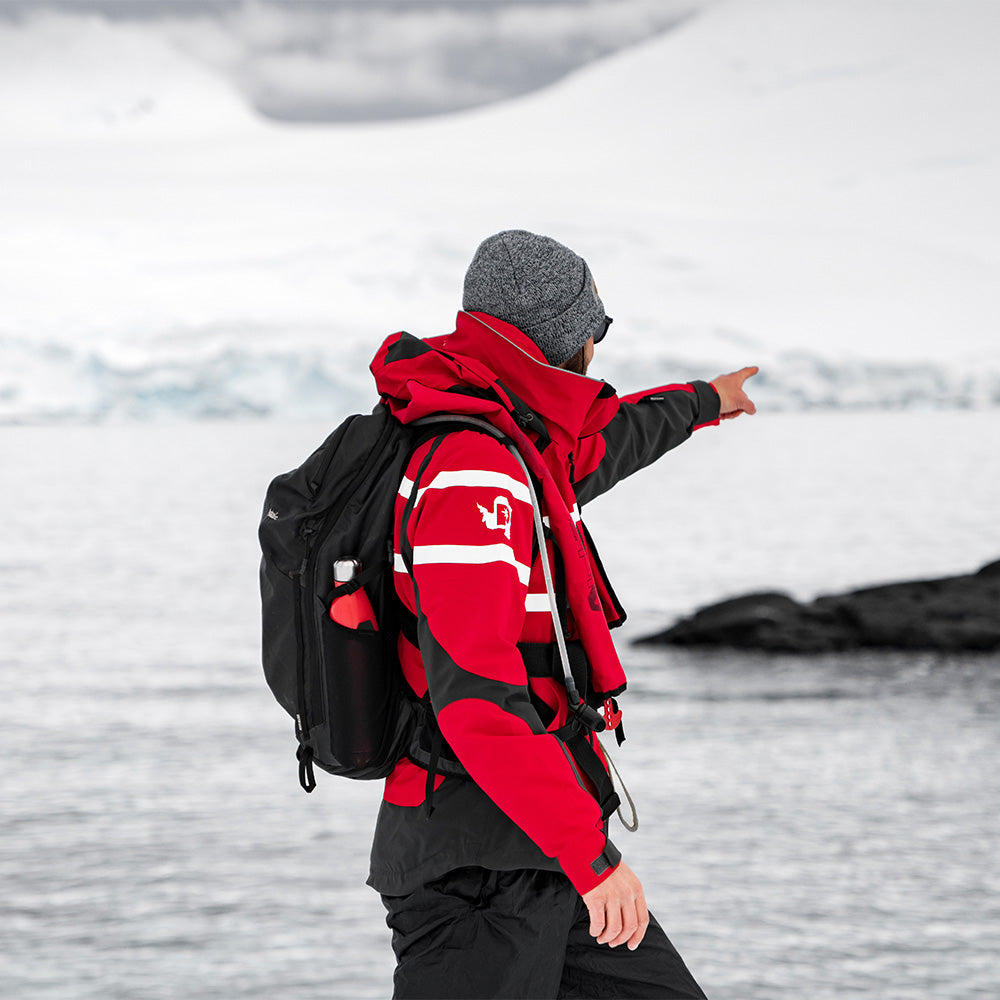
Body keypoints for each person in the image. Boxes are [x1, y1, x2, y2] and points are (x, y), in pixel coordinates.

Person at [366, 230, 757, 999]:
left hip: (537, 845)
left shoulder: (518, 446)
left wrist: (707, 401)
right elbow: (477, 700)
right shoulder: (474, 478)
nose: (597, 346)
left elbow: (607, 442)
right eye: (595, 326)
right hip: (477, 871)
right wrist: (592, 859)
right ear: (558, 336)